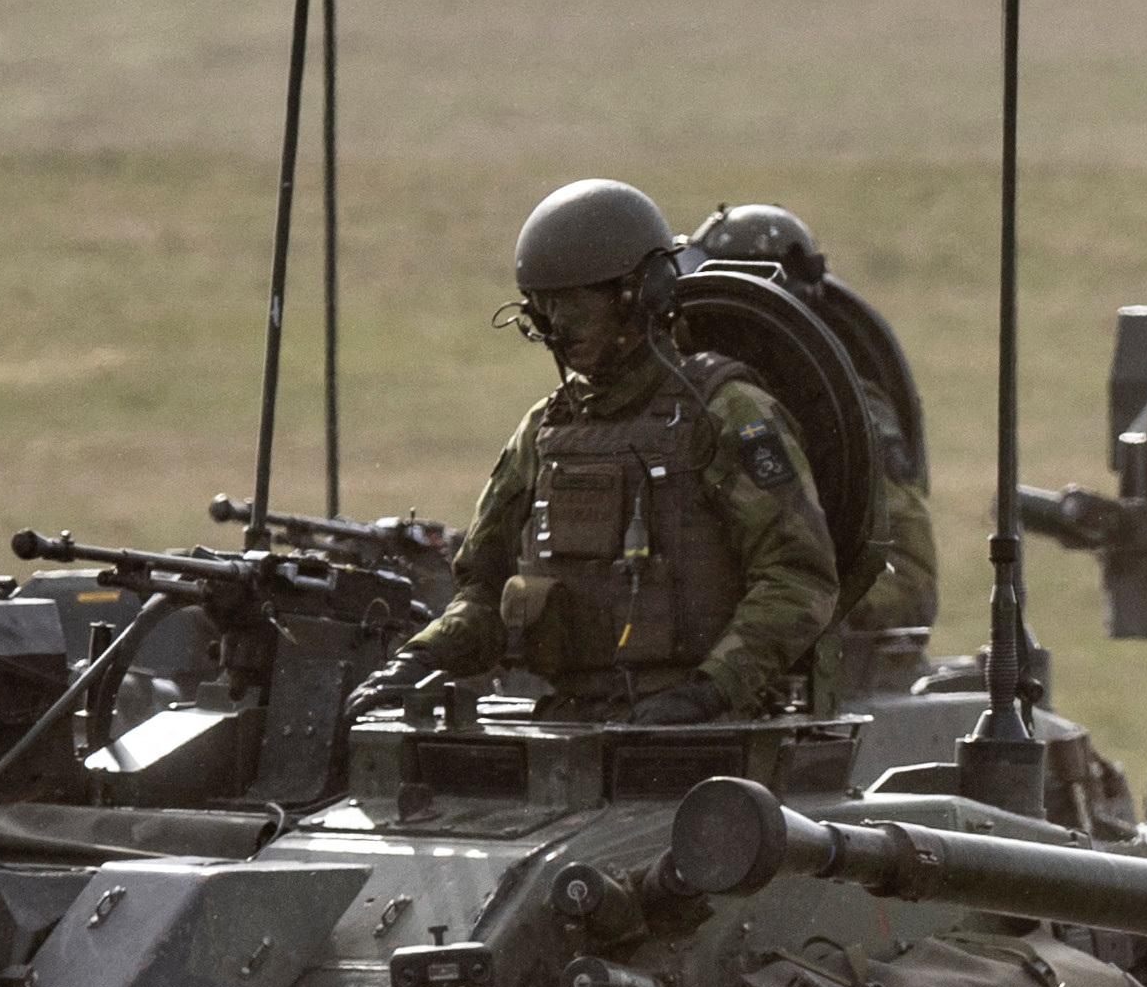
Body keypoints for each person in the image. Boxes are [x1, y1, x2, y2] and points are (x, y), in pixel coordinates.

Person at [375, 179, 838, 718]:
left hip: (708, 737)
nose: (555, 328)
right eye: (543, 308)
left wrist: (708, 691)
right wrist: (416, 662)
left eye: (571, 305)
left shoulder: (727, 413)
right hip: (568, 731)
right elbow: (483, 591)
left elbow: (799, 578)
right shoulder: (546, 429)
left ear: (635, 295)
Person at [685, 203, 938, 673]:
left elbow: (910, 578)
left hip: (822, 668)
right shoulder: (684, 402)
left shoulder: (850, 420)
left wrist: (798, 618)